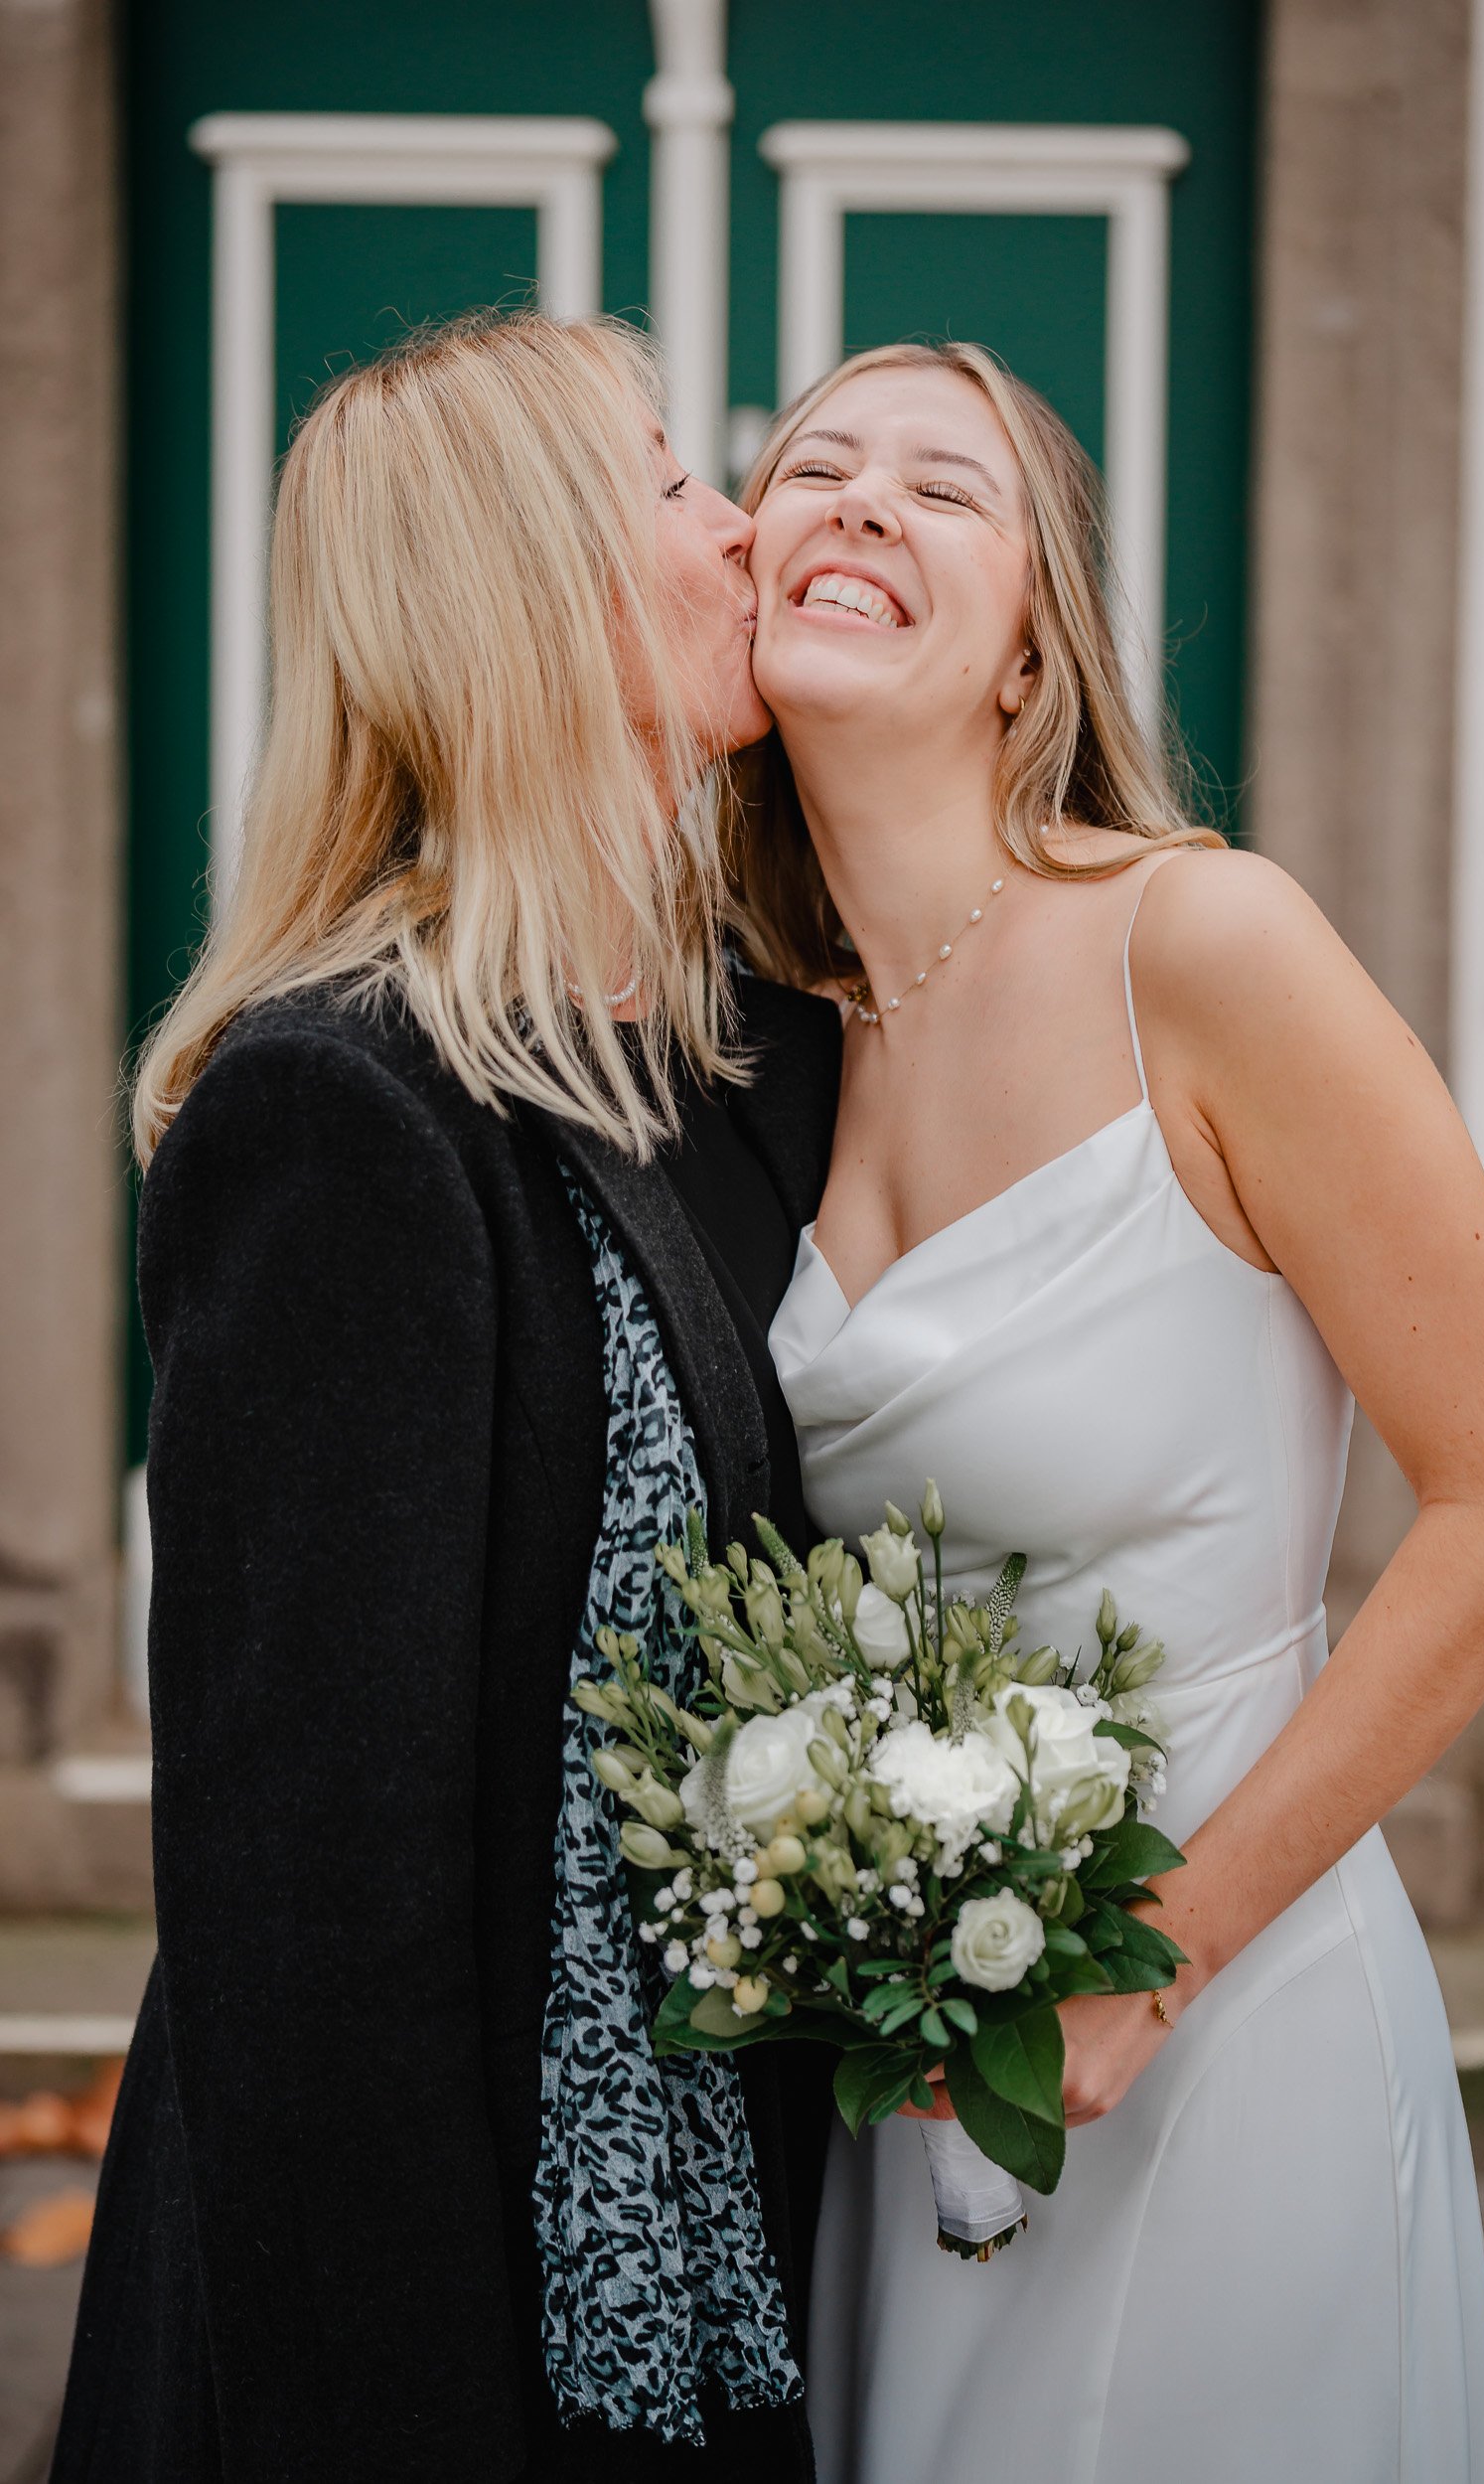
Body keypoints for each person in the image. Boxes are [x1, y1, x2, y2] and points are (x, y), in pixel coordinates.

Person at [736, 341, 1484, 2484]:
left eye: (943, 487)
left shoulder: (1205, 944)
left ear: (1036, 648)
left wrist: (1148, 1965)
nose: (853, 500)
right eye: (810, 464)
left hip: (1215, 2014)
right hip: (916, 2059)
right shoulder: (770, 1032)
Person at [53, 313, 838, 2484]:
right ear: (536, 592)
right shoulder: (337, 1111)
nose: (745, 526)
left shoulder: (697, 1073)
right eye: (681, 481)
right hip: (414, 2322)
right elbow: (306, 1927)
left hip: (678, 2256)